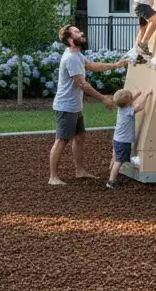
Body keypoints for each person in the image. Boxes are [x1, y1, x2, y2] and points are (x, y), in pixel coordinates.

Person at [49, 23, 129, 185]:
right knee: (62, 140)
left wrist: (115, 65)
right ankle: (53, 177)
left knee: (79, 137)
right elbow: (82, 84)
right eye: (77, 32)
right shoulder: (71, 58)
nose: (81, 33)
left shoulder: (77, 54)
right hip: (66, 106)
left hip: (74, 106)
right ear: (70, 40)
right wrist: (104, 98)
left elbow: (91, 66)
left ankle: (80, 171)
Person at [106, 87, 152, 190]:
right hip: (123, 141)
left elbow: (128, 102)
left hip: (117, 139)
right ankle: (111, 181)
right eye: (132, 97)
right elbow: (140, 107)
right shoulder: (128, 110)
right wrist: (145, 95)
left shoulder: (121, 108)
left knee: (116, 157)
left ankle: (112, 169)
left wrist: (136, 94)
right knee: (119, 161)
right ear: (130, 101)